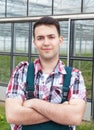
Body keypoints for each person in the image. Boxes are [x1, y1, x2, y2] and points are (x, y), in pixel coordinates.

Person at [5, 16, 86, 130]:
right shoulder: (22, 71)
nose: (46, 43)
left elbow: (75, 117)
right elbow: (13, 115)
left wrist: (34, 103)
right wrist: (62, 112)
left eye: (51, 37)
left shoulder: (74, 76)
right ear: (34, 42)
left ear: (60, 40)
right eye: (40, 38)